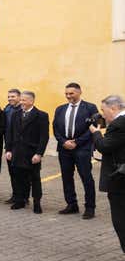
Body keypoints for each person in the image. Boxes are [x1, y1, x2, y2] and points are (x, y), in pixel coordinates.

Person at [90, 95, 125, 261]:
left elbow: (104, 146)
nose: (103, 115)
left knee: (121, 221)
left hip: (120, 181)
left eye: (104, 111)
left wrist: (95, 132)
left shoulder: (119, 125)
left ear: (113, 108)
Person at [53, 83, 99, 219]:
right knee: (67, 177)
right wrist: (63, 142)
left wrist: (77, 142)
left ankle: (90, 208)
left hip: (82, 148)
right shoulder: (60, 109)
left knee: (86, 177)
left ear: (79, 92)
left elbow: (93, 127)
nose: (68, 96)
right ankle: (71, 204)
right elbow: (55, 127)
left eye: (71, 93)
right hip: (64, 148)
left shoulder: (90, 108)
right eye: (66, 94)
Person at [5, 91, 49, 214]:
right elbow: (10, 133)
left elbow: (43, 137)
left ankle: (36, 202)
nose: (21, 102)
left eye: (24, 100)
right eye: (21, 100)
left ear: (31, 101)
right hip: (17, 152)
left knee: (34, 178)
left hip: (32, 153)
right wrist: (8, 149)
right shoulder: (16, 114)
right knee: (18, 177)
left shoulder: (41, 115)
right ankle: (20, 200)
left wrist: (39, 153)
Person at [3, 89, 22, 204]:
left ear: (19, 97)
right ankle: (15, 195)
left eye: (13, 96)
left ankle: (23, 196)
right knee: (12, 171)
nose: (10, 99)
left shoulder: (22, 109)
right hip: (9, 144)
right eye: (9, 96)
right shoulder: (7, 109)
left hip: (20, 146)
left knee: (21, 172)